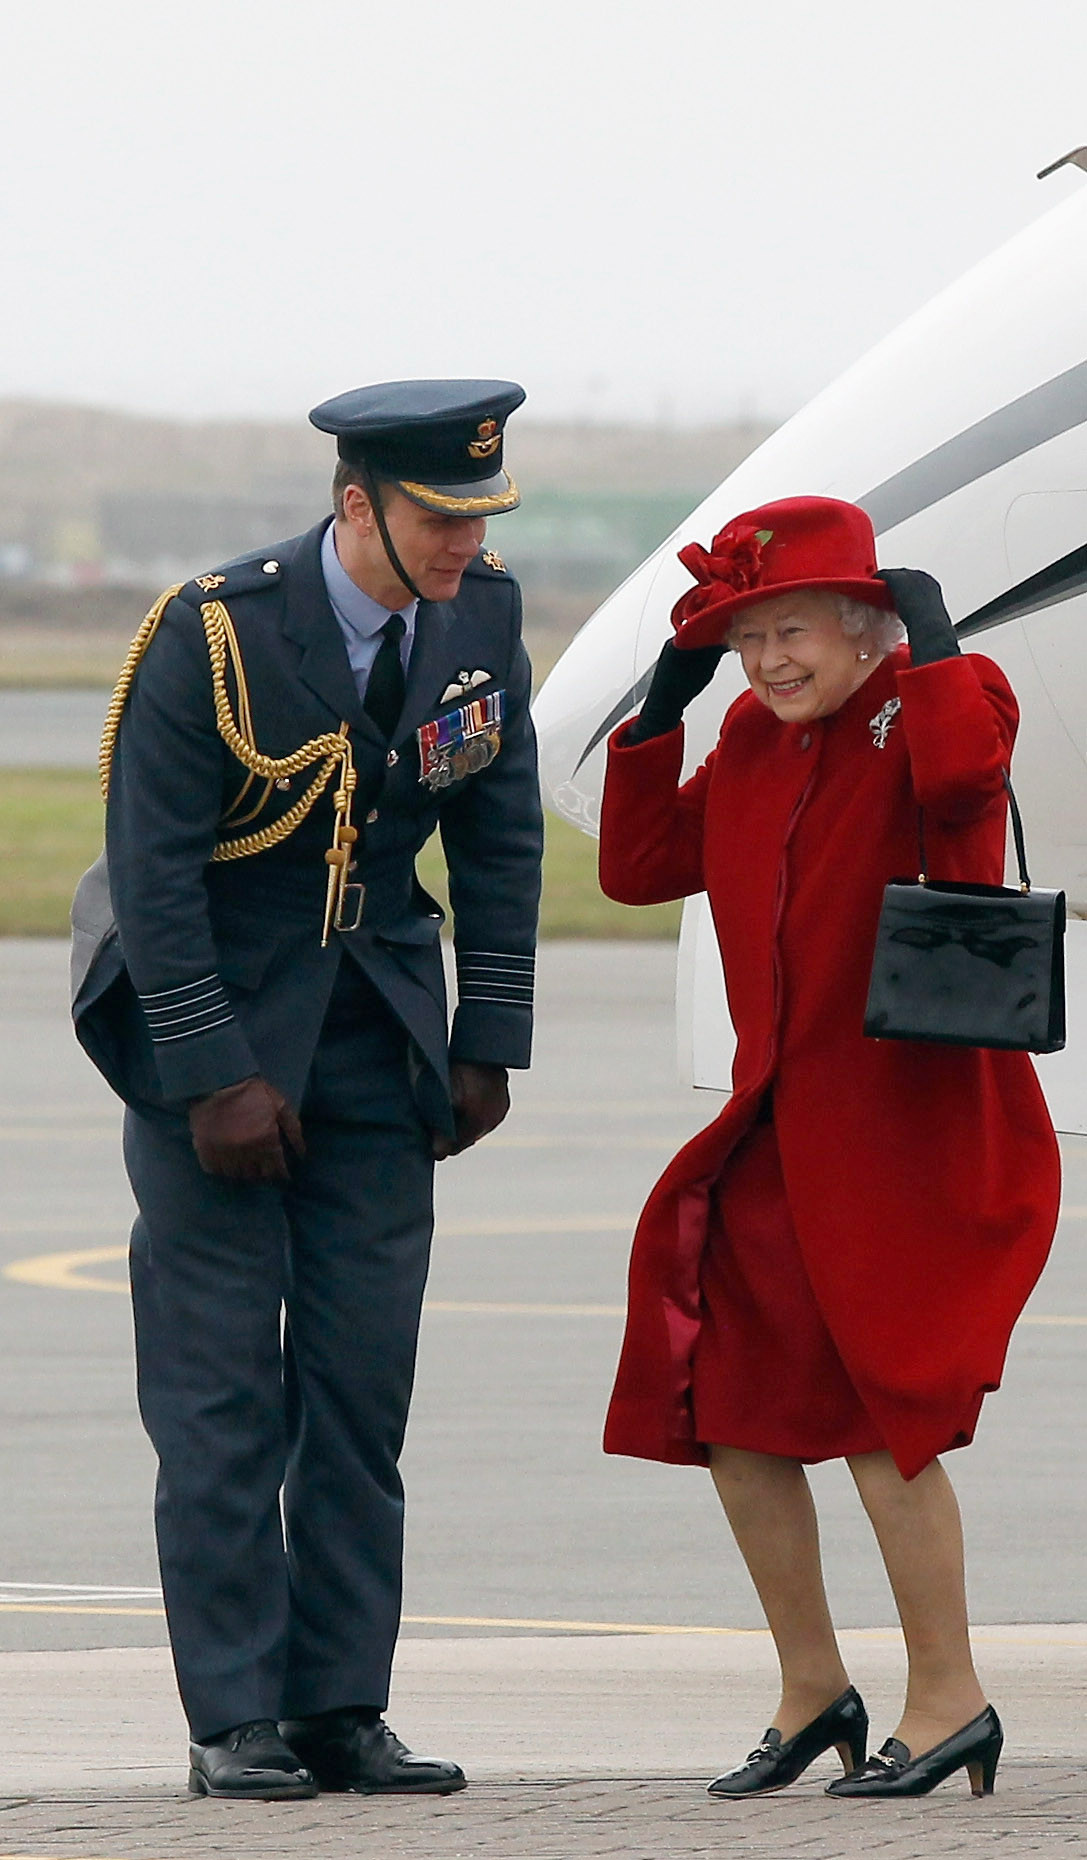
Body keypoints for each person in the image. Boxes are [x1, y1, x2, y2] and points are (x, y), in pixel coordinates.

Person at [70, 379, 543, 1800]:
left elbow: (498, 828)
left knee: (358, 1387)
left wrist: (488, 1035)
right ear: (358, 506)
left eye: (478, 517)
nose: (464, 542)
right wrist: (215, 1075)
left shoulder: (482, 621)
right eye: (438, 518)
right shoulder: (211, 631)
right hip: (208, 1035)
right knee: (222, 1394)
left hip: (379, 1031)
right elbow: (150, 876)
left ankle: (339, 1701)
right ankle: (234, 1716)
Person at [597, 496, 1059, 1802]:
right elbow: (637, 867)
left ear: (863, 630)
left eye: (789, 632)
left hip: (911, 1135)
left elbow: (967, 781)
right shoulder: (747, 729)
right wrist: (663, 706)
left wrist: (934, 629)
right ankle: (814, 1687)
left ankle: (950, 1695)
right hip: (781, 1132)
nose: (767, 665)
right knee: (735, 1414)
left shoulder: (933, 704)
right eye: (745, 642)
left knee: (884, 1426)